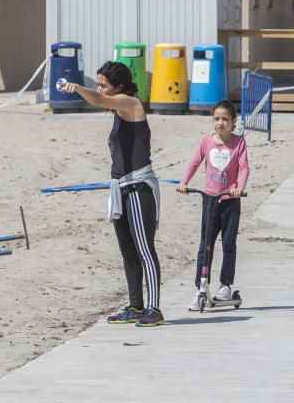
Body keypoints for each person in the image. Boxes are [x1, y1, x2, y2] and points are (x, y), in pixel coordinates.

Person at [64, 63, 164, 328]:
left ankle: (154, 308)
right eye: (97, 83)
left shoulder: (130, 103)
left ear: (118, 86)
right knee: (128, 250)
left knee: (144, 248)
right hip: (121, 188)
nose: (99, 89)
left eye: (104, 84)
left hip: (139, 188)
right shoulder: (118, 111)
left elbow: (98, 99)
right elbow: (100, 98)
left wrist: (76, 87)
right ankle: (135, 305)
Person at [175, 100, 249, 310]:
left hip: (230, 201)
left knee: (228, 245)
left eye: (225, 119)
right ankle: (201, 287)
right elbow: (194, 162)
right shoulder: (206, 142)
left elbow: (243, 167)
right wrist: (184, 182)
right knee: (204, 246)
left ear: (233, 121)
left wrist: (239, 187)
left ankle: (225, 285)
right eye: (217, 119)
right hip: (210, 201)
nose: (220, 123)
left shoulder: (239, 142)